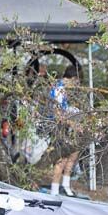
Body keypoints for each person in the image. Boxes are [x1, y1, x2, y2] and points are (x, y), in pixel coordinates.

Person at [48, 67, 81, 197]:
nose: (75, 86)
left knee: (73, 153)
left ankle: (66, 185)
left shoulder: (63, 89)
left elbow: (63, 108)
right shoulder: (59, 89)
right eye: (75, 82)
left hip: (65, 124)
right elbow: (57, 114)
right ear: (72, 79)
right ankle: (54, 191)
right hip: (58, 126)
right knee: (62, 159)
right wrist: (72, 123)